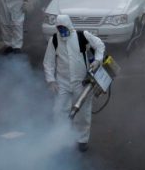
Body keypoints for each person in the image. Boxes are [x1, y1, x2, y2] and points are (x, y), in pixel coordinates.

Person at [43, 14, 106, 152]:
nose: (62, 31)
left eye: (63, 28)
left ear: (69, 26)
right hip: (62, 82)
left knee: (82, 112)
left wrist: (97, 60)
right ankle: (60, 138)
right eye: (59, 28)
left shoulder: (82, 36)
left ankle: (81, 140)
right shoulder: (54, 40)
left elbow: (100, 45)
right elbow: (48, 62)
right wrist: (51, 80)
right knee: (59, 110)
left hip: (81, 82)